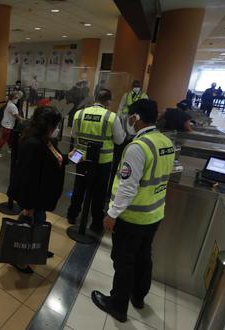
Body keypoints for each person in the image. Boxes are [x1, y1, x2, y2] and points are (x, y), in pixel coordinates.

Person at [91, 99, 175, 323]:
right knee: (143, 256)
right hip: (155, 214)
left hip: (133, 217)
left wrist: (111, 214)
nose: (127, 121)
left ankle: (118, 305)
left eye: (129, 117)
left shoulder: (138, 147)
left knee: (124, 260)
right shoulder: (165, 142)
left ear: (136, 118)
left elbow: (128, 187)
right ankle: (138, 297)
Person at [7, 106, 64, 273]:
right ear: (47, 126)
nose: (56, 129)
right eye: (55, 125)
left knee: (38, 222)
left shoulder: (46, 140)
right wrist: (28, 205)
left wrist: (66, 158)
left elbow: (52, 160)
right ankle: (18, 258)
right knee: (30, 224)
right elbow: (28, 177)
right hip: (34, 195)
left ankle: (37, 247)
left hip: (41, 194)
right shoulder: (33, 143)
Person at [67, 89, 126, 233]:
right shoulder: (112, 117)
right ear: (108, 101)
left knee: (79, 187)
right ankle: (96, 223)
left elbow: (73, 134)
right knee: (98, 193)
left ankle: (72, 215)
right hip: (103, 161)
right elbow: (120, 140)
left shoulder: (79, 113)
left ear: (95, 98)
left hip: (80, 158)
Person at [0, 91, 23, 158]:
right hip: (7, 125)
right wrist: (24, 120)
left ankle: (9, 148)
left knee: (7, 138)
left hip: (5, 124)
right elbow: (17, 116)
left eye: (17, 98)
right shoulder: (12, 106)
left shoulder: (9, 103)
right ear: (12, 98)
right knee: (4, 139)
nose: (17, 99)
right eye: (16, 98)